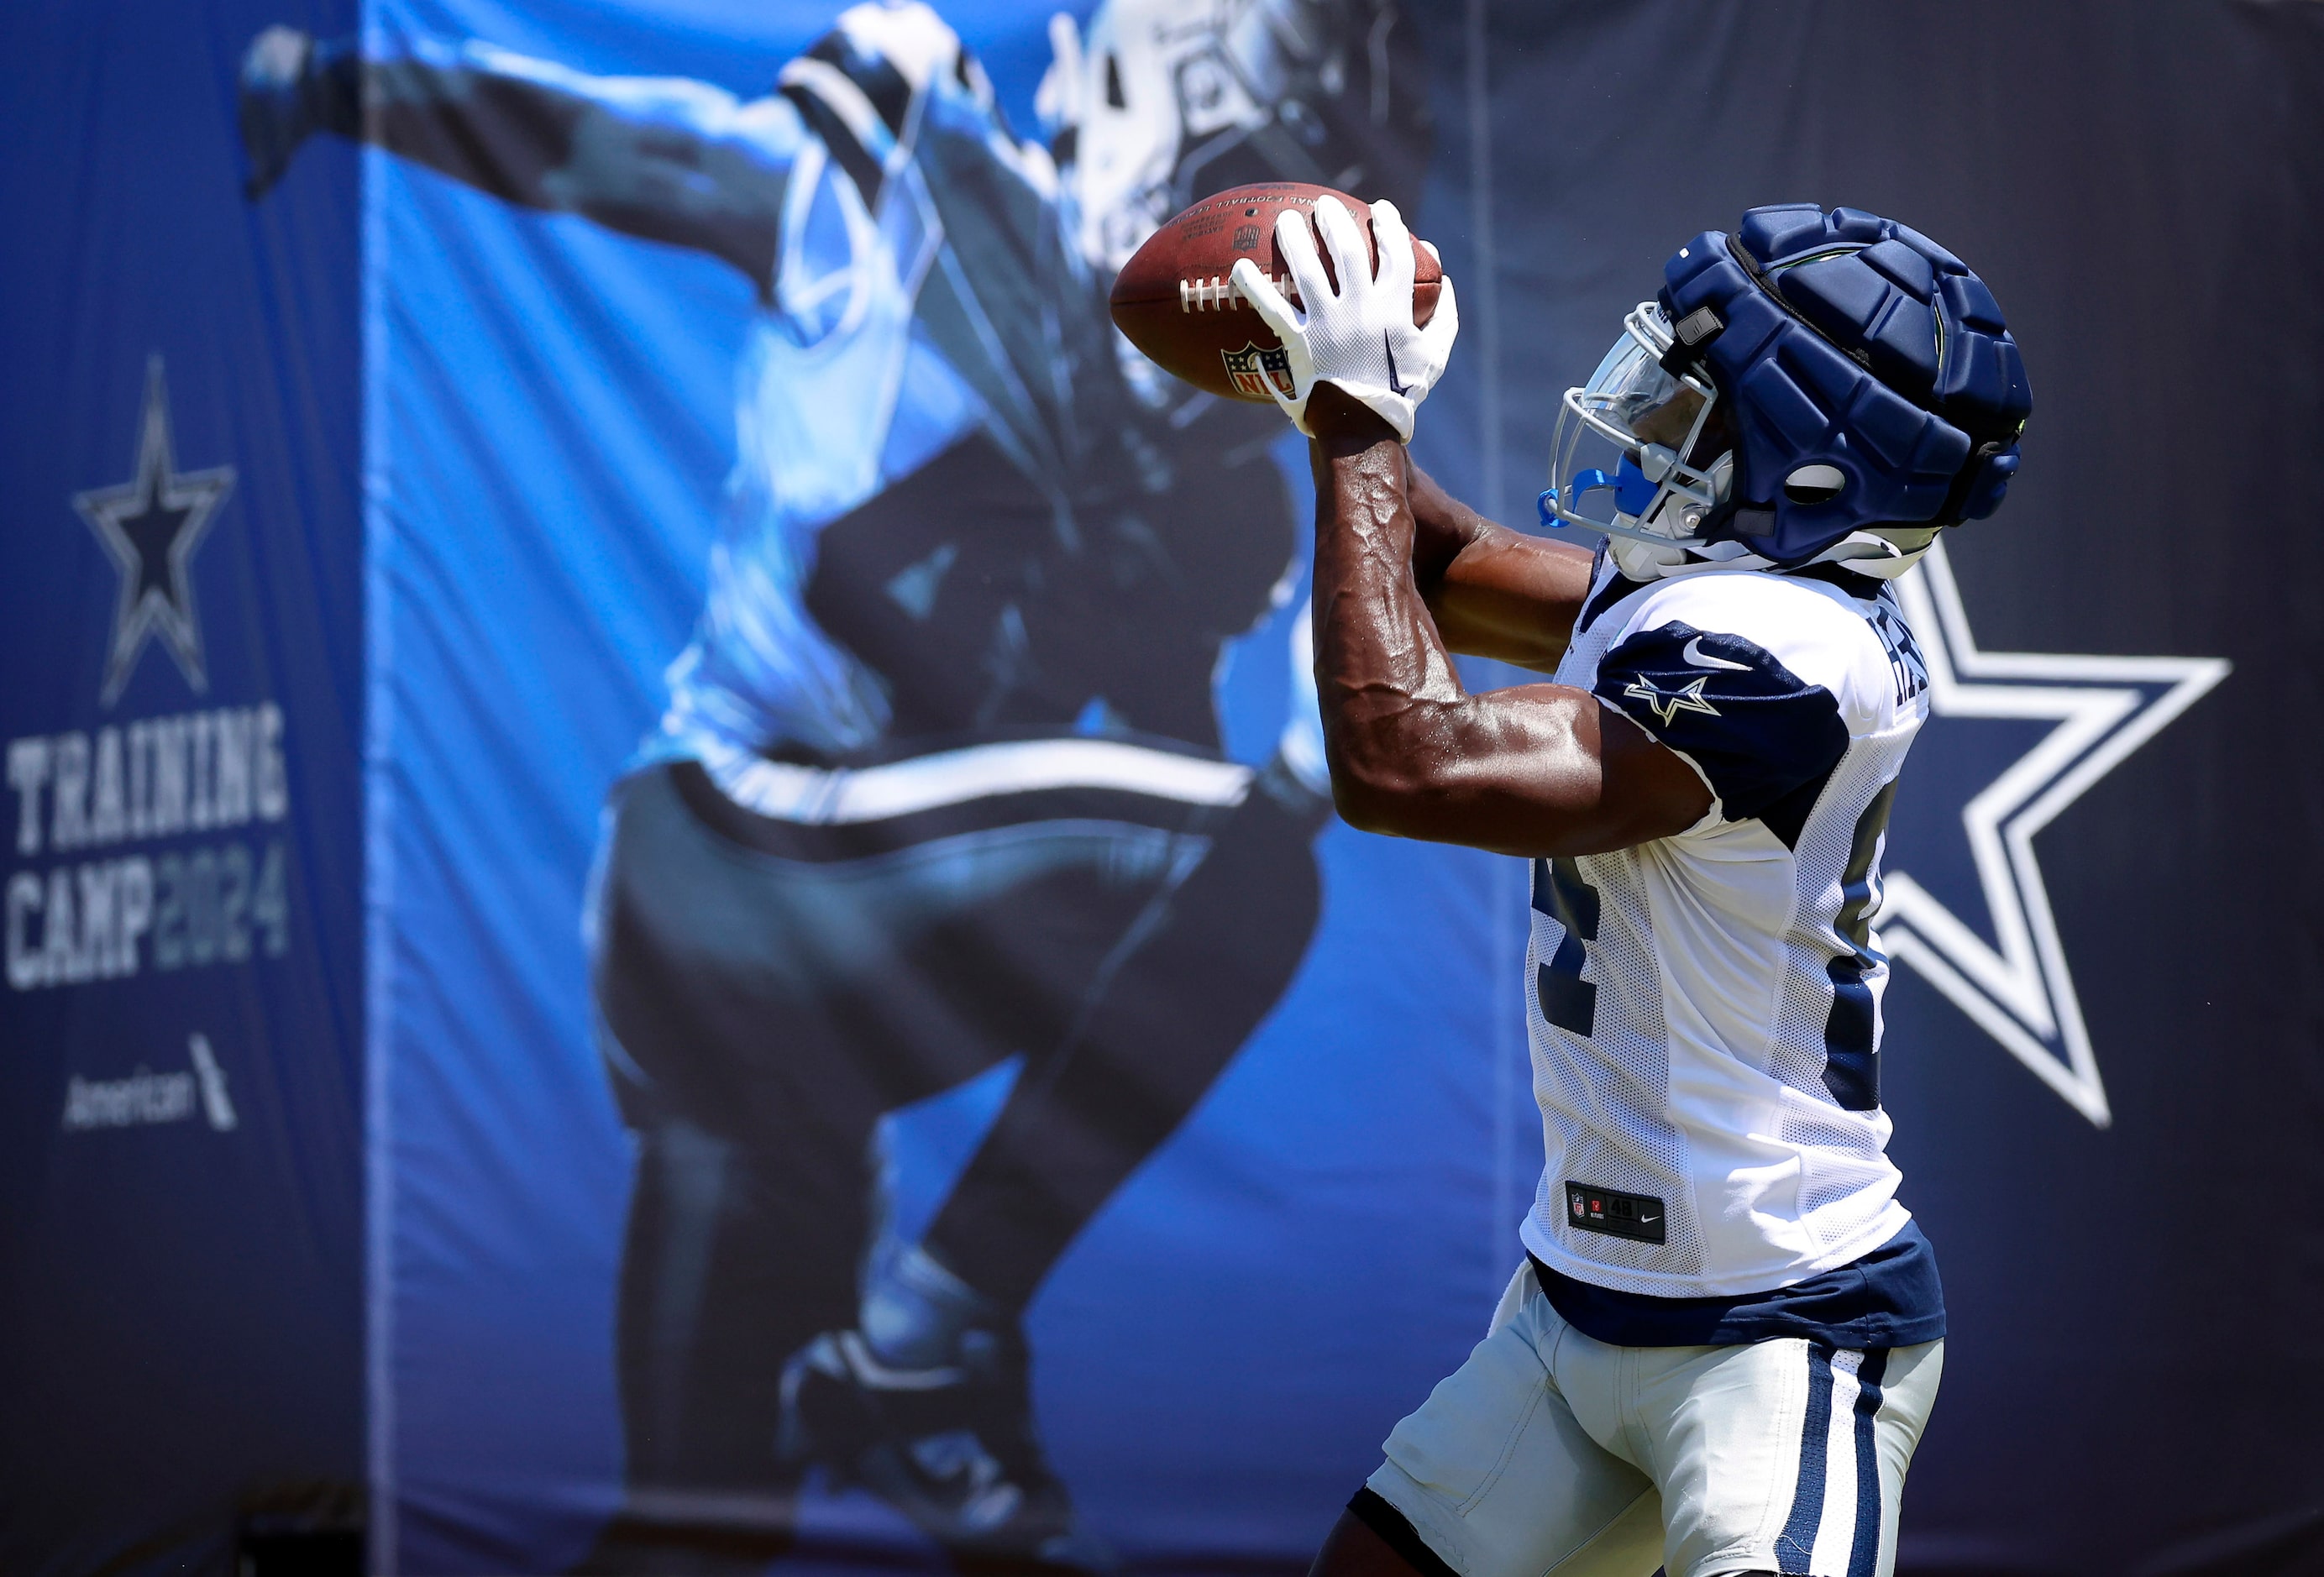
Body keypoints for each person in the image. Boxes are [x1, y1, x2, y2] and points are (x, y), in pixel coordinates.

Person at [238, 2, 1427, 1569]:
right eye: (1245, 212)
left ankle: (910, 1347)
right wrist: (345, 82)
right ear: (1133, 135)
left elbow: (1144, 905)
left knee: (697, 1527)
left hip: (845, 975)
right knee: (1253, 858)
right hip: (729, 849)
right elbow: (613, 149)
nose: (1260, 287)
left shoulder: (1217, 499)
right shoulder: (906, 193)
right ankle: (930, 1336)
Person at [1228, 198, 2028, 1577]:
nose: (1647, 407)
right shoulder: (1729, 585)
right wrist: (1325, 387)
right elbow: (1445, 565)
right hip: (1578, 1305)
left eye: (1694, 395)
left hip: (1783, 1327)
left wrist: (1363, 425)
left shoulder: (1774, 658)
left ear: (1808, 462)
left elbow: (1399, 762)